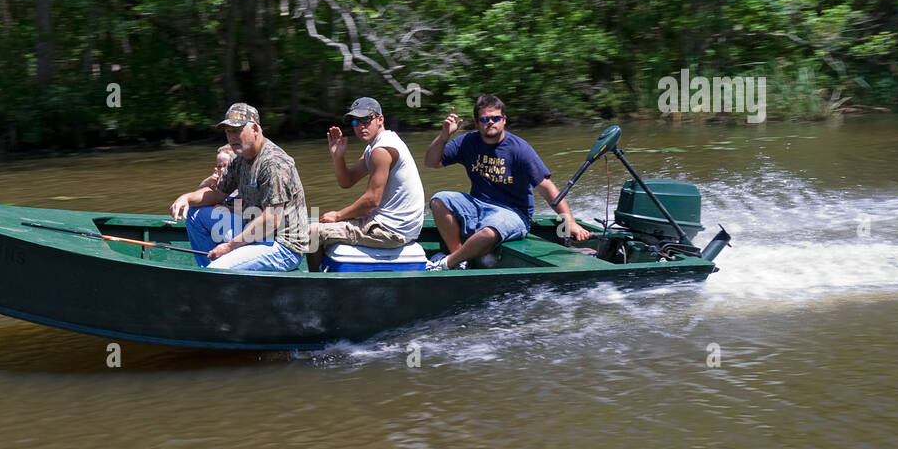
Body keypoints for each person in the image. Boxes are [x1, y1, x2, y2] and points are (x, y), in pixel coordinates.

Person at [423, 94, 589, 270]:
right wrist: (443, 136)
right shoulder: (467, 141)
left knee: (489, 231)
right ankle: (459, 258)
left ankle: (447, 263)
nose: (490, 122)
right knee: (439, 200)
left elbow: (547, 188)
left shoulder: (519, 149)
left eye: (495, 118)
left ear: (504, 120)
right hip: (478, 204)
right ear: (477, 122)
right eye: (485, 118)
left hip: (513, 213)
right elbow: (431, 162)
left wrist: (568, 220)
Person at [170, 103, 309, 271]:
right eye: (228, 131)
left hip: (283, 246)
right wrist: (186, 198)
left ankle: (213, 273)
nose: (232, 137)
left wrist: (230, 246)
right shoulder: (239, 159)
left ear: (255, 129)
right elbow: (217, 194)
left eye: (237, 130)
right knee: (194, 214)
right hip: (253, 231)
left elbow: (271, 220)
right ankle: (209, 271)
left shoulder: (273, 163)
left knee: (218, 269)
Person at [308, 97, 424, 269]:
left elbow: (372, 201)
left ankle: (315, 287)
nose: (360, 126)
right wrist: (338, 156)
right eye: (355, 121)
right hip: (394, 225)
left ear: (380, 119)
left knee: (312, 233)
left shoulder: (382, 150)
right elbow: (347, 181)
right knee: (324, 219)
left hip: (391, 231)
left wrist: (338, 215)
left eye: (366, 119)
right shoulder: (374, 147)